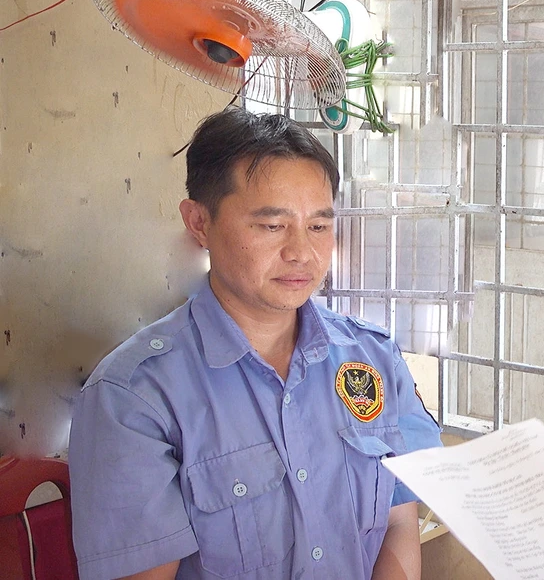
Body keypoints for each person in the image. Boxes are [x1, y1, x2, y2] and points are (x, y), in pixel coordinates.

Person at [69, 108, 442, 580]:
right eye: (271, 226)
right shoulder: (133, 397)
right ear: (199, 222)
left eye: (319, 226)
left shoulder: (372, 357)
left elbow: (397, 521)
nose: (302, 253)